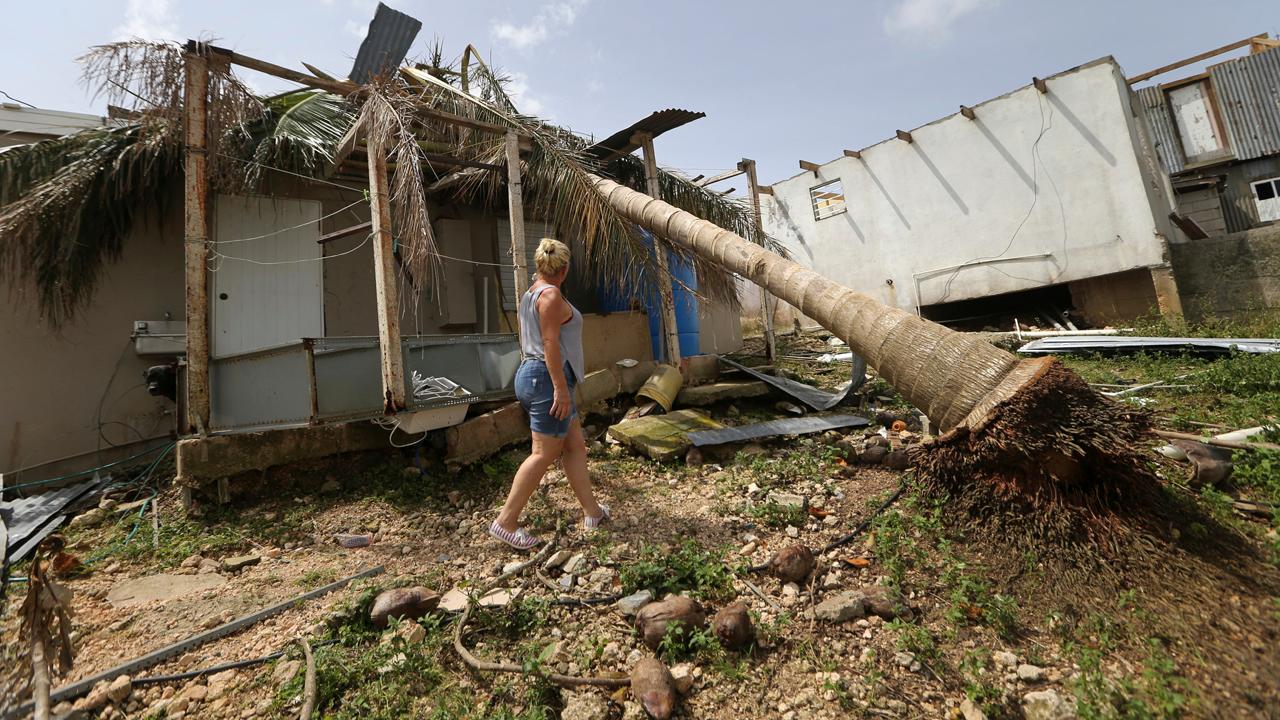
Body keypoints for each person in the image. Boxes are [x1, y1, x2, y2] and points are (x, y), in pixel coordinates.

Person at [489, 238, 609, 550]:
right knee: (543, 453)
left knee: (575, 447)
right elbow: (550, 343)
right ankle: (505, 522)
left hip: (534, 375)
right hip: (546, 379)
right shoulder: (551, 295)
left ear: (540, 265)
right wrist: (560, 389)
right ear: (565, 269)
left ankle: (592, 512)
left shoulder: (531, 293)